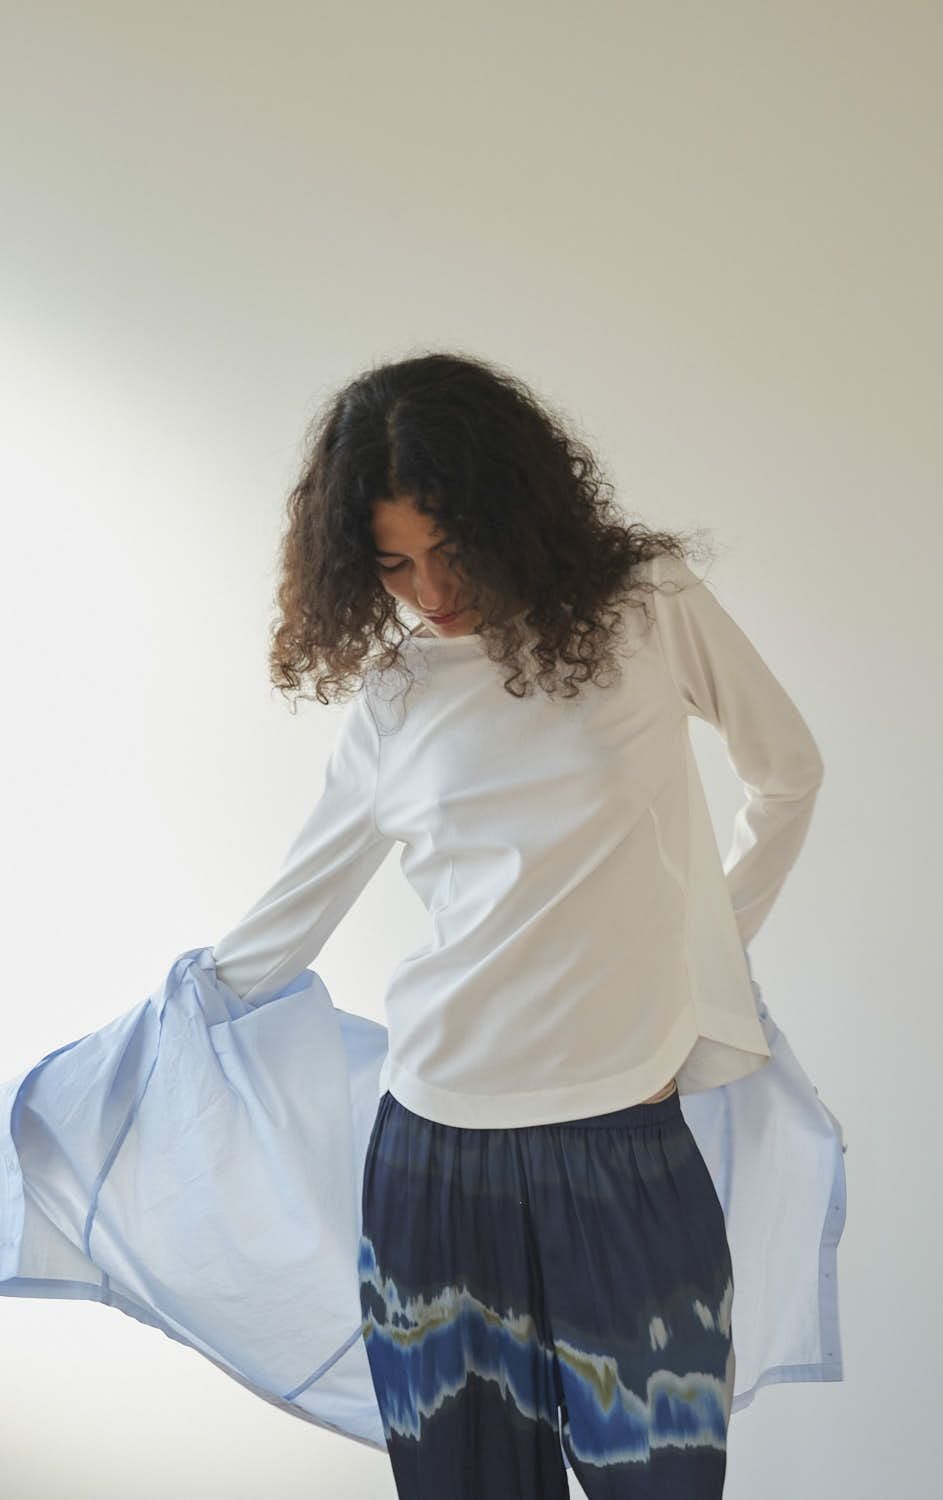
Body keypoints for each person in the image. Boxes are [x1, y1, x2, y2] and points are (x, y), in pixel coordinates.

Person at [204, 350, 828, 1499]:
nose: (430, 591)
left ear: (511, 508)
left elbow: (787, 772)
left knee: (663, 1480)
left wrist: (702, 964)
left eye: (450, 548)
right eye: (392, 564)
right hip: (435, 1156)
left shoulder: (647, 606)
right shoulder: (395, 697)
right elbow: (296, 907)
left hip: (622, 1137)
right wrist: (168, 1022)